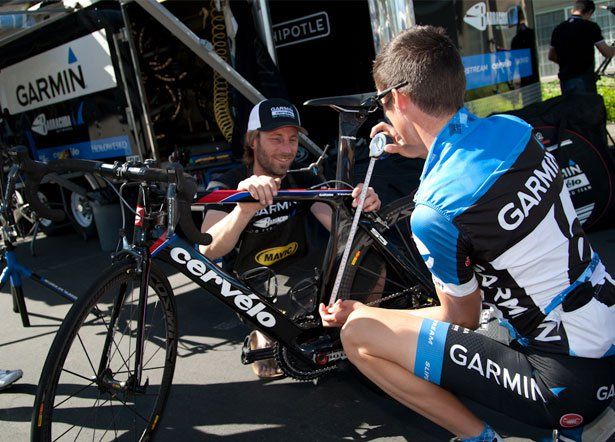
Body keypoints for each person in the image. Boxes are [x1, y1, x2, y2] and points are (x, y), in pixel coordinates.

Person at [319, 26, 615, 442]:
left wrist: (365, 312)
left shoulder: (435, 210)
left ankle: (484, 439)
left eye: (384, 105)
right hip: (604, 319)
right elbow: (464, 146)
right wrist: (416, 144)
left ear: (399, 99)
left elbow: (462, 318)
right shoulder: (516, 129)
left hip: (566, 383)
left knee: (359, 337)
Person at [200, 98, 380, 378]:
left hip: (306, 282)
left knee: (374, 271)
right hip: (256, 289)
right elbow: (208, 249)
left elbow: (342, 230)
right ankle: (264, 332)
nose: (287, 150)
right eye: (276, 139)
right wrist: (243, 209)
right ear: (252, 141)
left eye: (292, 139)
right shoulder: (227, 183)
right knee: (269, 367)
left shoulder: (299, 178)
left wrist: (361, 206)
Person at [548, 0, 615, 94]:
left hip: (565, 81)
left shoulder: (558, 28)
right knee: (587, 108)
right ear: (590, 12)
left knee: (570, 108)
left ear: (573, 10)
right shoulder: (590, 27)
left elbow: (551, 56)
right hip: (584, 80)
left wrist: (567, 62)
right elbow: (607, 53)